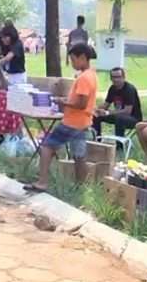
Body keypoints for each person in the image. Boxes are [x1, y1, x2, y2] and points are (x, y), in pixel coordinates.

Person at [27, 44, 98, 193]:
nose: (72, 63)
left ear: (83, 58)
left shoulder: (84, 78)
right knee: (79, 155)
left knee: (47, 146)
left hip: (72, 122)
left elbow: (81, 103)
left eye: (73, 59)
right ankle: (81, 186)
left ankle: (42, 181)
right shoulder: (91, 75)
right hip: (83, 122)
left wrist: (63, 101)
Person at [92, 67, 142, 138]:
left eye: (118, 77)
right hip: (118, 115)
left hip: (133, 118)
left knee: (119, 119)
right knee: (96, 115)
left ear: (124, 77)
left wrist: (108, 112)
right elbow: (106, 105)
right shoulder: (112, 88)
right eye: (113, 77)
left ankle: (119, 146)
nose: (116, 79)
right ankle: (97, 140)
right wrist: (95, 109)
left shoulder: (129, 89)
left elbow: (127, 111)